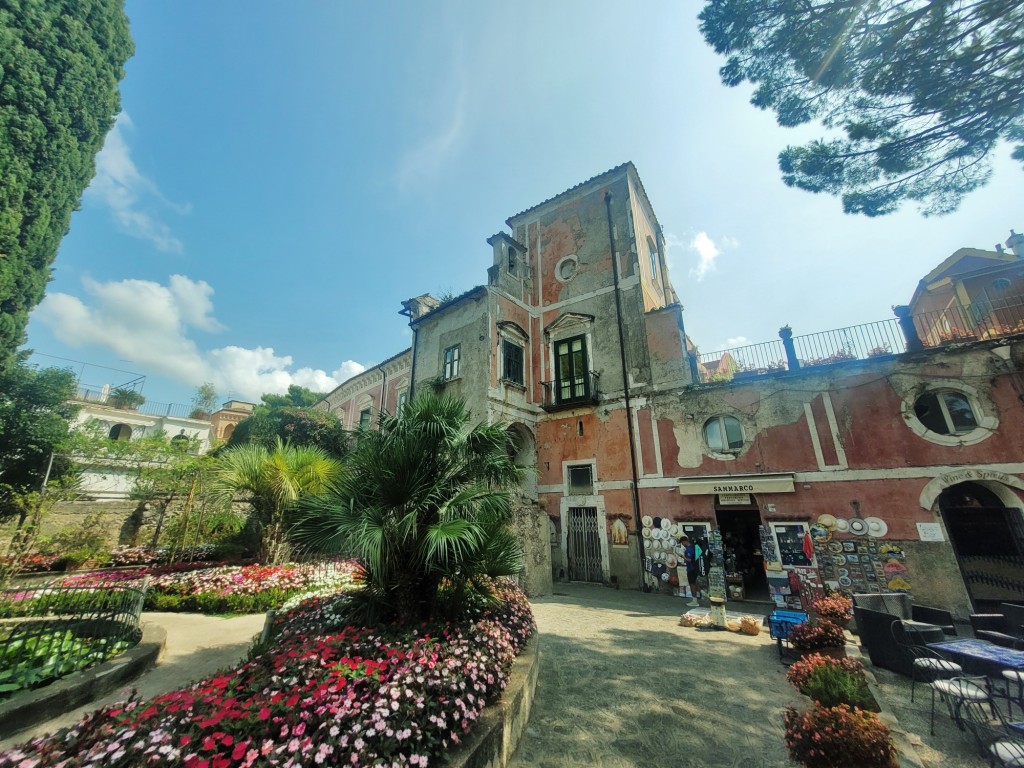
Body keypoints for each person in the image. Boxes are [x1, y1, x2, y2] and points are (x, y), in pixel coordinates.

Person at [682, 536, 700, 607]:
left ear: (685, 541)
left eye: (682, 542)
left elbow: (689, 560)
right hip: (694, 568)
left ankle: (694, 601)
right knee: (694, 583)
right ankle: (701, 594)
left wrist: (683, 557)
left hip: (691, 569)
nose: (682, 544)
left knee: (692, 584)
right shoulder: (692, 547)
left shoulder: (689, 549)